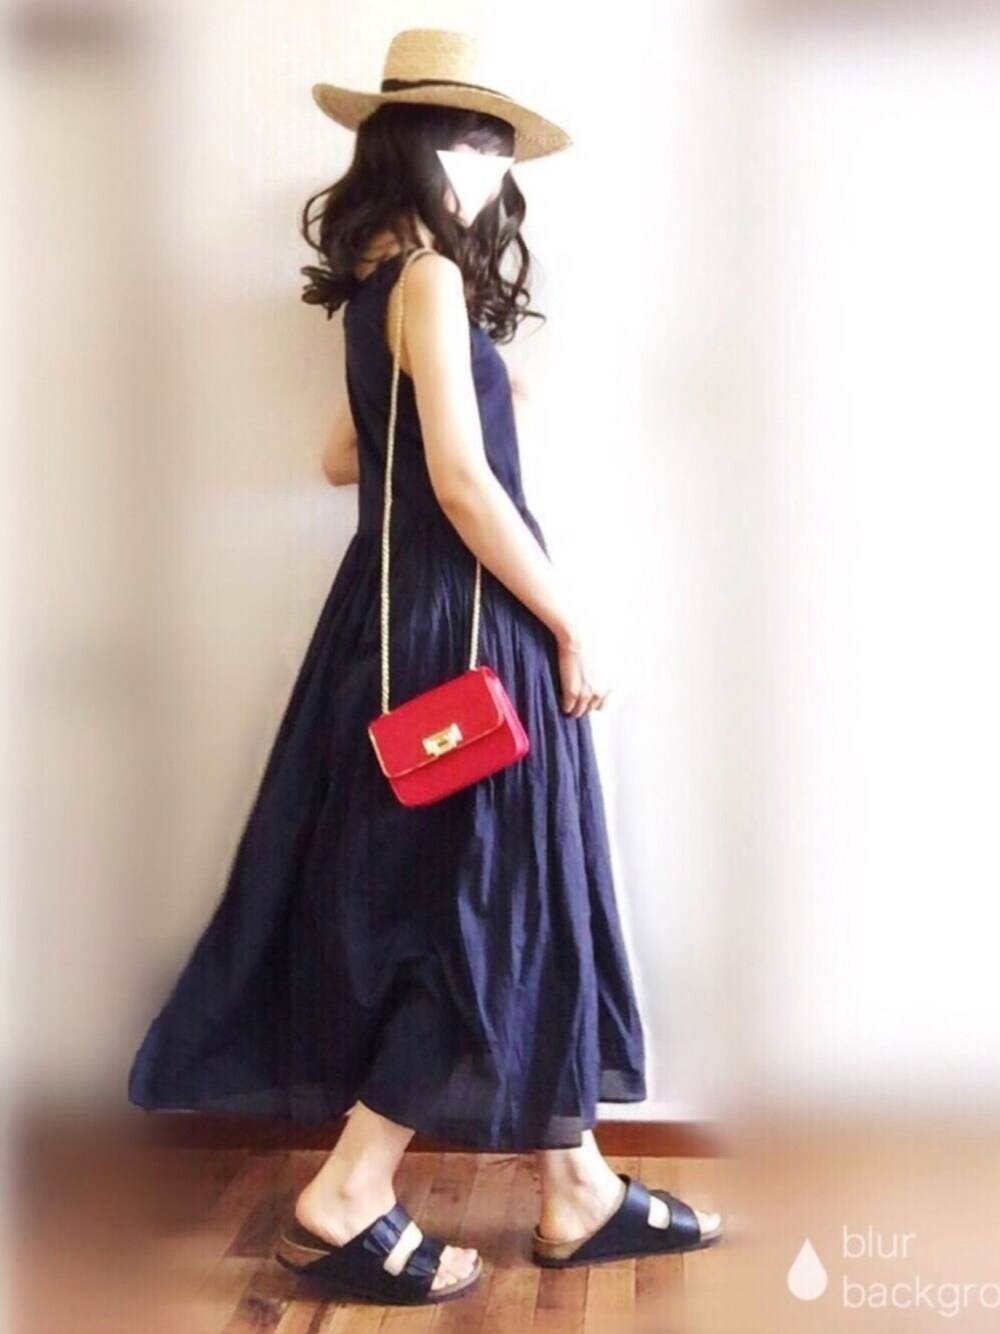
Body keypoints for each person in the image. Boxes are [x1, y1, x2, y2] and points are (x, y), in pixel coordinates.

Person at [127, 27, 723, 1307]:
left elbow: (344, 455)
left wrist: (473, 392)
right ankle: (345, 1194)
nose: (486, 166)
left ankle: (576, 1185)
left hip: (391, 627)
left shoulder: (376, 288)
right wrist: (571, 620)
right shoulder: (433, 282)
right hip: (464, 627)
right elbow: (456, 482)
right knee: (476, 907)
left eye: (498, 146)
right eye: (465, 138)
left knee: (496, 893)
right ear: (404, 142)